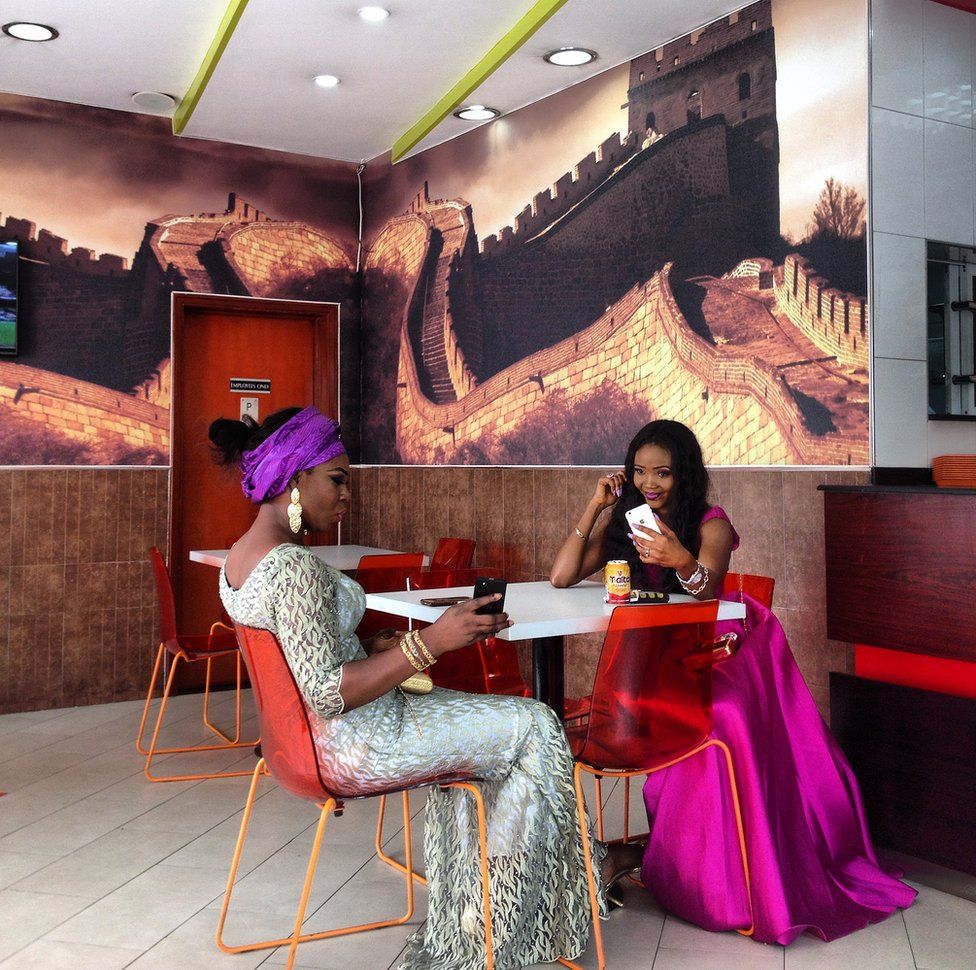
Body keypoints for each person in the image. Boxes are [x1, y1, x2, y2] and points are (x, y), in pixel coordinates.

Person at [210, 405, 628, 970]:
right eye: (337, 480)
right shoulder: (291, 568)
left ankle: (479, 918)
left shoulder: (239, 559)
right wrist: (432, 641)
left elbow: (306, 656)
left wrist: (381, 645)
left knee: (501, 735)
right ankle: (503, 926)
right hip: (359, 741)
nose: (347, 496)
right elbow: (328, 692)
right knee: (536, 726)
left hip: (306, 746)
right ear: (293, 477)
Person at [551, 419, 916, 945]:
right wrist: (595, 507)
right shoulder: (627, 524)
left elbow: (707, 588)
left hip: (716, 652)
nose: (650, 483)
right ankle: (666, 861)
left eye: (663, 473)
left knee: (724, 724)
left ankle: (718, 876)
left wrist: (678, 556)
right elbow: (562, 576)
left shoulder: (709, 521)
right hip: (655, 659)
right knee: (660, 718)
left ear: (685, 476)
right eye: (640, 472)